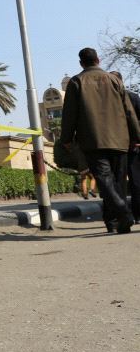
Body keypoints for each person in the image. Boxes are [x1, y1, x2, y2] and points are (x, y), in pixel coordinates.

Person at [61, 49, 140, 234]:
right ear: (98, 60)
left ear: (81, 63)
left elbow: (69, 113)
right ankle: (115, 222)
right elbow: (129, 111)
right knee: (117, 183)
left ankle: (122, 214)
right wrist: (137, 136)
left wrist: (66, 139)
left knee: (105, 182)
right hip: (120, 140)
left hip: (92, 140)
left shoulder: (76, 82)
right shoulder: (114, 80)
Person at [111, 71, 140, 223]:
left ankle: (136, 214)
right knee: (116, 183)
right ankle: (121, 215)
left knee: (135, 182)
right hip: (114, 147)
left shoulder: (133, 98)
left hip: (132, 147)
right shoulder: (105, 101)